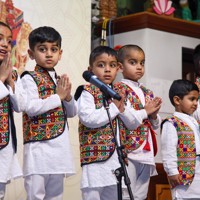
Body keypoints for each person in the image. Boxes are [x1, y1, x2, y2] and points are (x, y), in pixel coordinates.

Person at [20, 26, 77, 200]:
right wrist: (58, 96)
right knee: (35, 195)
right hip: (39, 150)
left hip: (59, 151)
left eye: (54, 49)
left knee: (56, 196)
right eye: (42, 49)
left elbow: (72, 112)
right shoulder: (29, 77)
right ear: (31, 54)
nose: (49, 54)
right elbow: (30, 107)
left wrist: (67, 97)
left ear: (60, 53)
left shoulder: (59, 80)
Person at [75, 45, 135, 200]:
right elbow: (89, 119)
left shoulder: (117, 94)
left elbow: (130, 123)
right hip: (95, 161)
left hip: (116, 160)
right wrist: (115, 108)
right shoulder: (86, 91)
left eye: (112, 65)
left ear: (118, 68)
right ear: (90, 69)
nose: (107, 70)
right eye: (101, 65)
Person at [114, 44, 162, 200]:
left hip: (146, 151)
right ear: (120, 66)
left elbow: (154, 124)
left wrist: (154, 116)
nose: (139, 67)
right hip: (129, 150)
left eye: (142, 63)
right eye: (133, 62)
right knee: (126, 192)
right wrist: (146, 111)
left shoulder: (147, 91)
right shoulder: (119, 88)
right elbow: (127, 118)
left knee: (141, 195)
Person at [161, 79, 200, 200]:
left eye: (197, 99)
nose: (195, 103)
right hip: (183, 176)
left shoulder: (195, 122)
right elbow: (168, 150)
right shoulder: (172, 123)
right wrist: (172, 171)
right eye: (191, 99)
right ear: (177, 100)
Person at [0, 21, 25, 199]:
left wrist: (10, 82)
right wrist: (1, 78)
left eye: (9, 41)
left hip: (4, 144)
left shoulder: (12, 71)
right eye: (0, 39)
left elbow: (20, 106)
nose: (5, 44)